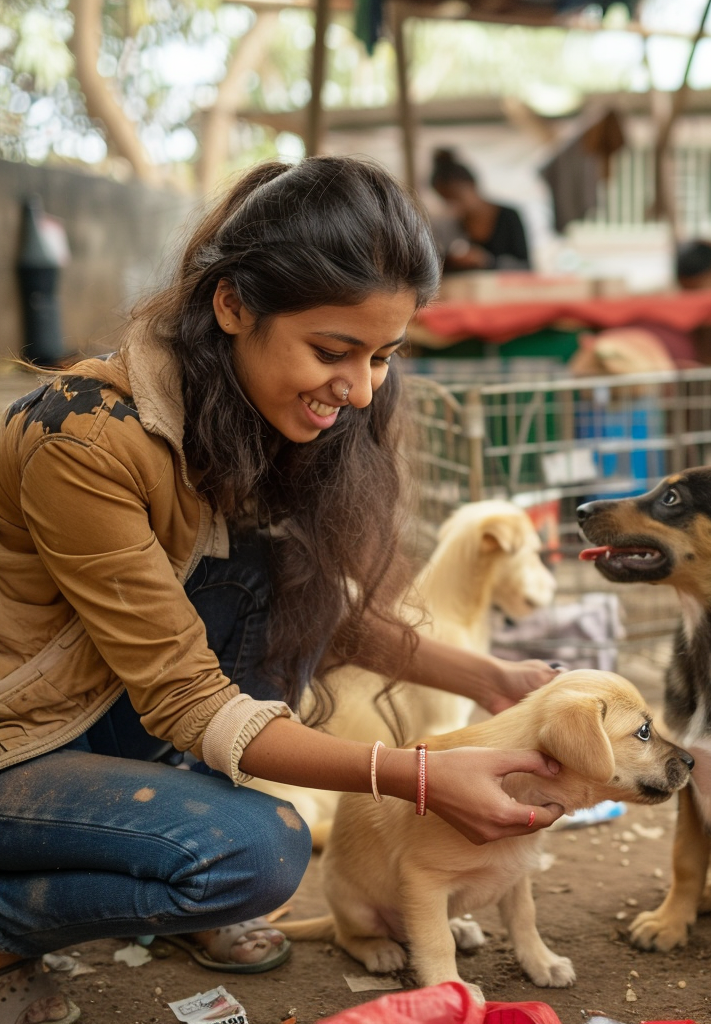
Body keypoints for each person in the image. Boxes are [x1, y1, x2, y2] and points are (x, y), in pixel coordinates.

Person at [0, 157, 565, 1024]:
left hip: (96, 701)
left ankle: (151, 855)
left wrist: (491, 682)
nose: (364, 387)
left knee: (284, 576)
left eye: (383, 355)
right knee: (257, 855)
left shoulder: (245, 414)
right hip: (18, 737)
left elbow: (313, 617)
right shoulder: (84, 435)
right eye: (334, 352)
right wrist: (419, 776)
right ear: (232, 305)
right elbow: (187, 694)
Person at [430, 148, 531, 272]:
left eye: (456, 196)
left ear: (472, 185)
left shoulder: (508, 216)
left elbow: (525, 266)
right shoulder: (449, 225)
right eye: (446, 201)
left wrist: (488, 261)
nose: (454, 205)